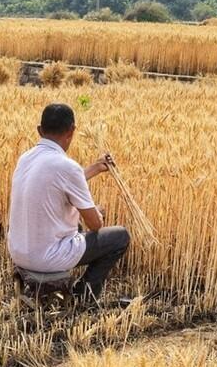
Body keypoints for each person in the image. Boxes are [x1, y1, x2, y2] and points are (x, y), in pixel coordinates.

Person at [7, 103, 130, 304]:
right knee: (120, 237)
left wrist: (94, 168)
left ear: (39, 130)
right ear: (72, 131)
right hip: (46, 257)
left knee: (75, 225)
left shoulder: (26, 158)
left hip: (19, 252)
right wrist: (97, 211)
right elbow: (96, 225)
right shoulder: (67, 166)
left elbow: (54, 182)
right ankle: (85, 297)